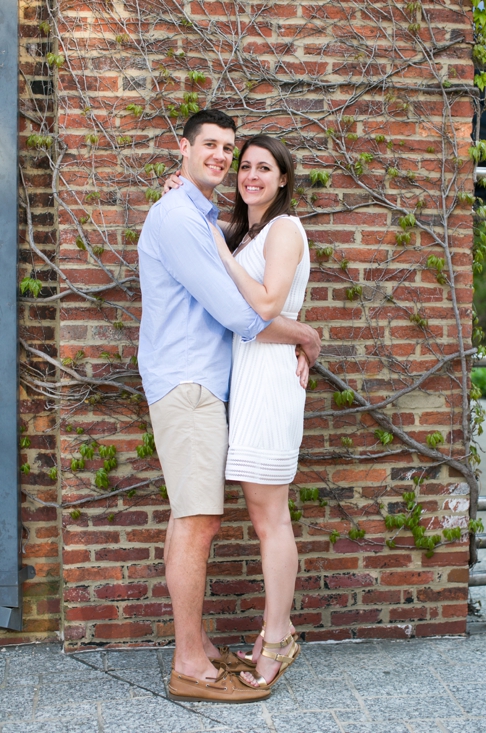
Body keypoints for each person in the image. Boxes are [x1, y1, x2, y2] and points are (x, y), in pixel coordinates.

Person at [137, 109, 321, 703]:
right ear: (183, 149)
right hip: (191, 385)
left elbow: (256, 297)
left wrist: (193, 207)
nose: (228, 162)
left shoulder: (214, 221)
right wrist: (305, 335)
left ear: (284, 178)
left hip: (226, 388)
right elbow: (240, 314)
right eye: (214, 149)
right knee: (198, 520)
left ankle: (231, 643)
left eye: (234, 151)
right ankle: (191, 661)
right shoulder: (185, 219)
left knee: (206, 518)